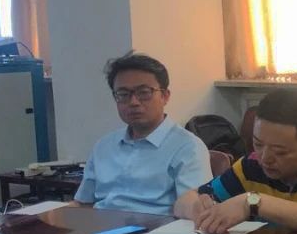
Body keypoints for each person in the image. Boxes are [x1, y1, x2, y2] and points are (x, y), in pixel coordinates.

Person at [173, 89, 297, 234]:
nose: (265, 158)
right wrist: (199, 209)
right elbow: (184, 201)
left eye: (280, 151)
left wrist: (253, 202)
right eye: (258, 144)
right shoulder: (251, 165)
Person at [73, 52, 211, 215]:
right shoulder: (104, 146)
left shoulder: (188, 147)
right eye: (123, 94)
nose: (134, 102)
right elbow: (83, 203)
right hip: (100, 226)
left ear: (165, 96)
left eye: (144, 93)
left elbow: (194, 207)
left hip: (156, 227)